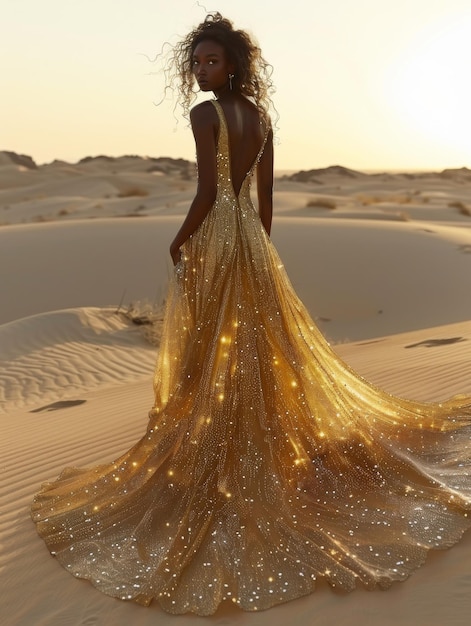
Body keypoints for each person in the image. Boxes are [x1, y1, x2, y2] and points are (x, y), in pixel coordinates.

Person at [32, 12, 471, 616]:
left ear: (233, 64)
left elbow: (208, 192)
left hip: (218, 236)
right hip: (255, 247)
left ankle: (227, 449)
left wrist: (181, 241)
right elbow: (265, 203)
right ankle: (255, 435)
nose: (201, 71)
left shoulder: (205, 116)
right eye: (197, 62)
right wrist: (256, 249)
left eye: (211, 61)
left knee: (218, 348)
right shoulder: (260, 119)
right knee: (260, 345)